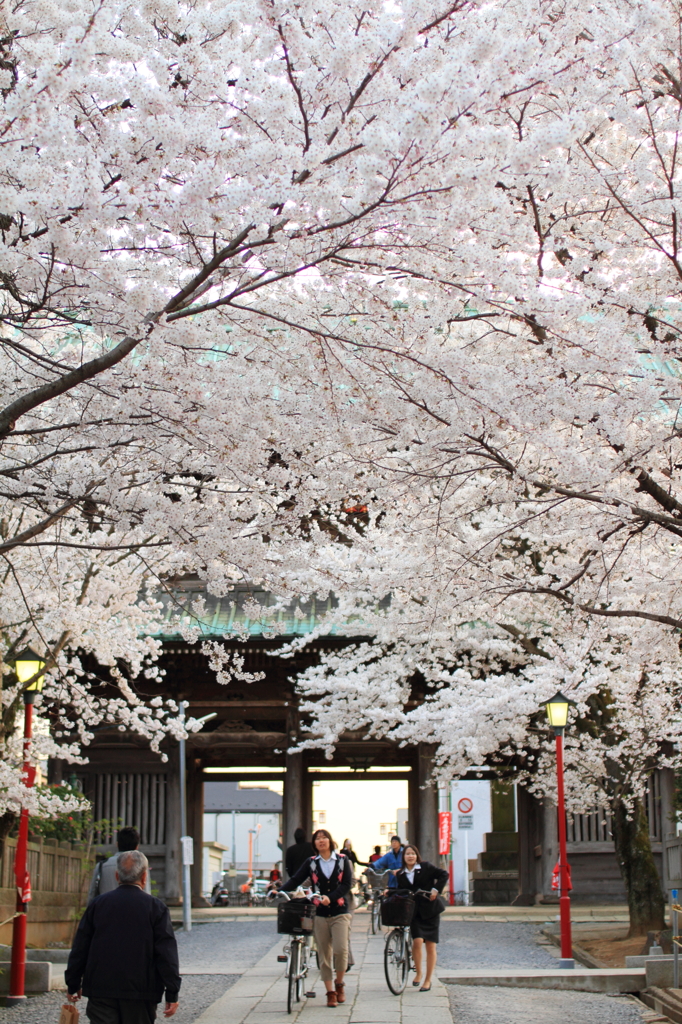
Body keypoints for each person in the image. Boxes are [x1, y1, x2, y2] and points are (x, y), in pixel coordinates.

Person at [66, 850, 180, 1023]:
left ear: (117, 876)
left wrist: (73, 983)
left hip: (101, 988)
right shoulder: (156, 908)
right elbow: (166, 953)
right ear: (144, 877)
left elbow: (81, 946)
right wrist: (172, 991)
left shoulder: (98, 904)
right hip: (142, 990)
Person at [282, 828, 353, 1008]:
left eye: (324, 838)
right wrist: (279, 890)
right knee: (324, 954)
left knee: (340, 950)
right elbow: (296, 878)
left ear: (330, 841)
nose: (321, 841)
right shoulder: (311, 862)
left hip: (340, 912)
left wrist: (333, 896)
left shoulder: (343, 860)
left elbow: (346, 884)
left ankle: (339, 983)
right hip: (320, 913)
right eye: (317, 839)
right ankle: (330, 992)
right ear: (314, 844)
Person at [394, 843, 448, 992]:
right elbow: (401, 890)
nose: (410, 856)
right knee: (417, 942)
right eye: (407, 854)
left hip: (431, 911)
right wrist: (390, 892)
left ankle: (428, 980)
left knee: (430, 946)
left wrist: (436, 889)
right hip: (414, 912)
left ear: (417, 856)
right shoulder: (401, 874)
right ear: (403, 857)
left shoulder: (426, 867)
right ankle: (418, 972)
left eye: (413, 853)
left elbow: (444, 874)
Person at [87, 826, 151, 904]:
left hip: (106, 912)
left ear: (117, 844)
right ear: (137, 846)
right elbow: (146, 895)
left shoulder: (102, 865)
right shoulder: (141, 865)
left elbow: (92, 895)